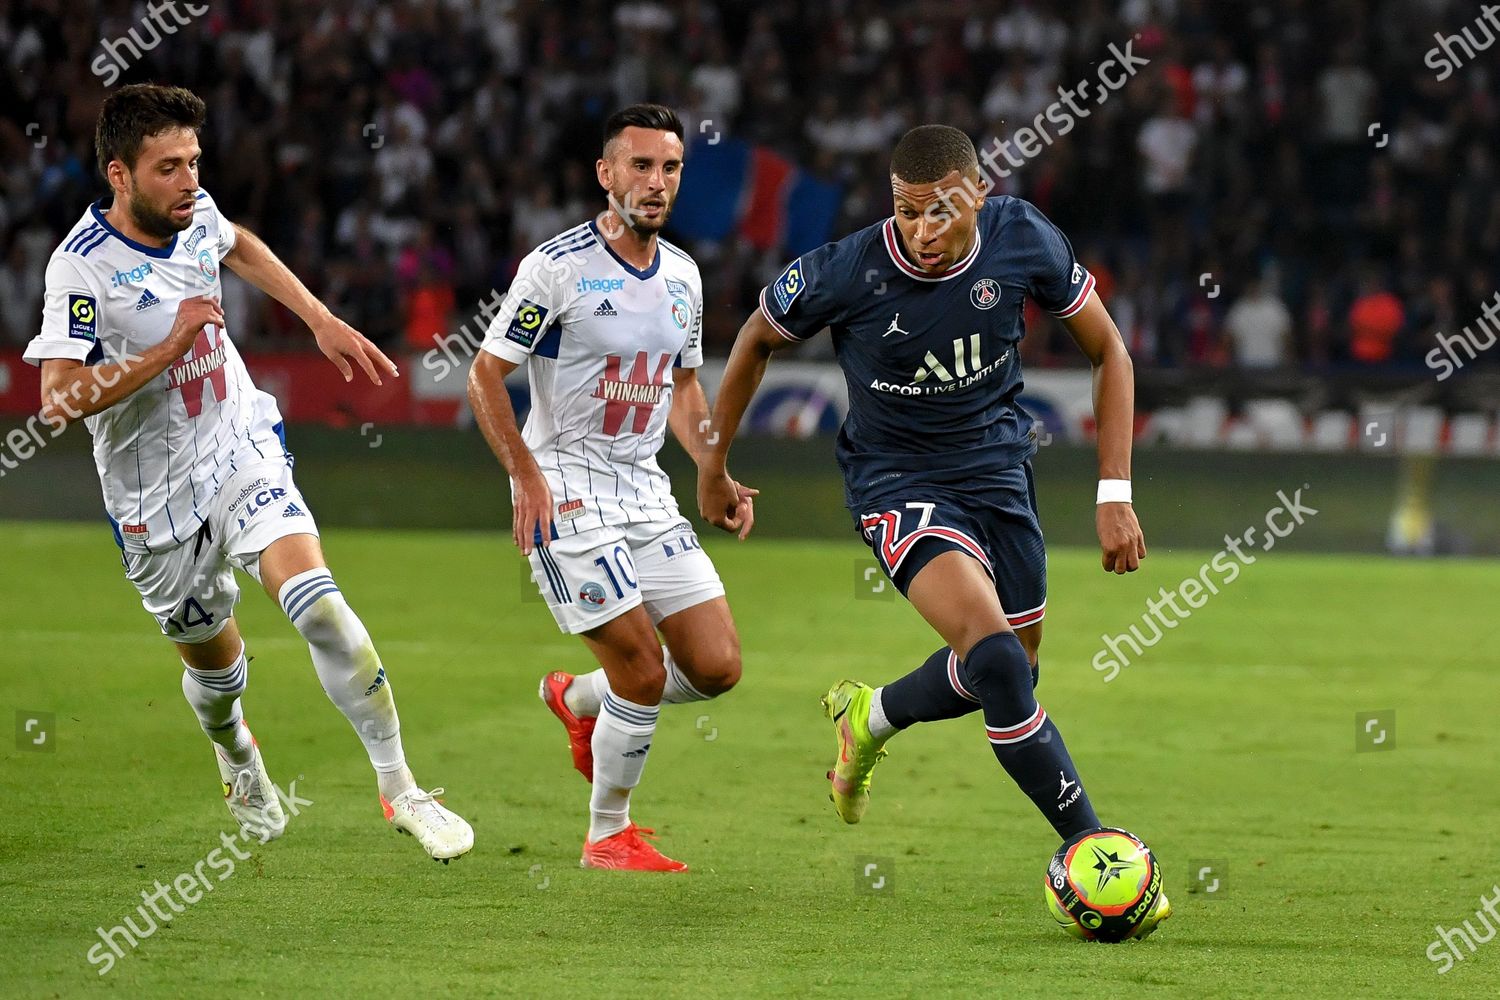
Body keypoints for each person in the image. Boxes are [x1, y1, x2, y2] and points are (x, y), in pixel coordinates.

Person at [699, 124, 1169, 934]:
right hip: (896, 481)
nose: (921, 230)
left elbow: (1110, 352)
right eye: (906, 211)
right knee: (995, 660)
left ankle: (870, 717)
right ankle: (1092, 848)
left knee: (1010, 667)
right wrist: (712, 464)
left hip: (1000, 475)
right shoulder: (847, 270)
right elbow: (752, 341)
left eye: (940, 212)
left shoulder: (1023, 236)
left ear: (979, 194)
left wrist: (1114, 490)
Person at [23, 84, 472, 861]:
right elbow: (58, 399)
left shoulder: (194, 212)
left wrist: (319, 317)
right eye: (168, 167)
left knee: (321, 607)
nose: (189, 180)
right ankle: (235, 752)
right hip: (152, 497)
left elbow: (240, 245)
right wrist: (165, 347)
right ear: (119, 174)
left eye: (194, 161)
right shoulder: (80, 270)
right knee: (219, 670)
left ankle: (401, 789)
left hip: (239, 447)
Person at [467, 104, 752, 872]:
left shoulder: (685, 275)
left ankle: (576, 699)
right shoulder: (556, 268)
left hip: (643, 488)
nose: (656, 183)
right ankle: (607, 834)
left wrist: (712, 471)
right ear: (606, 174)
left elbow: (685, 390)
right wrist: (523, 472)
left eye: (670, 168)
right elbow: (485, 372)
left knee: (717, 666)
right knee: (643, 669)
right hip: (564, 484)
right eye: (640, 166)